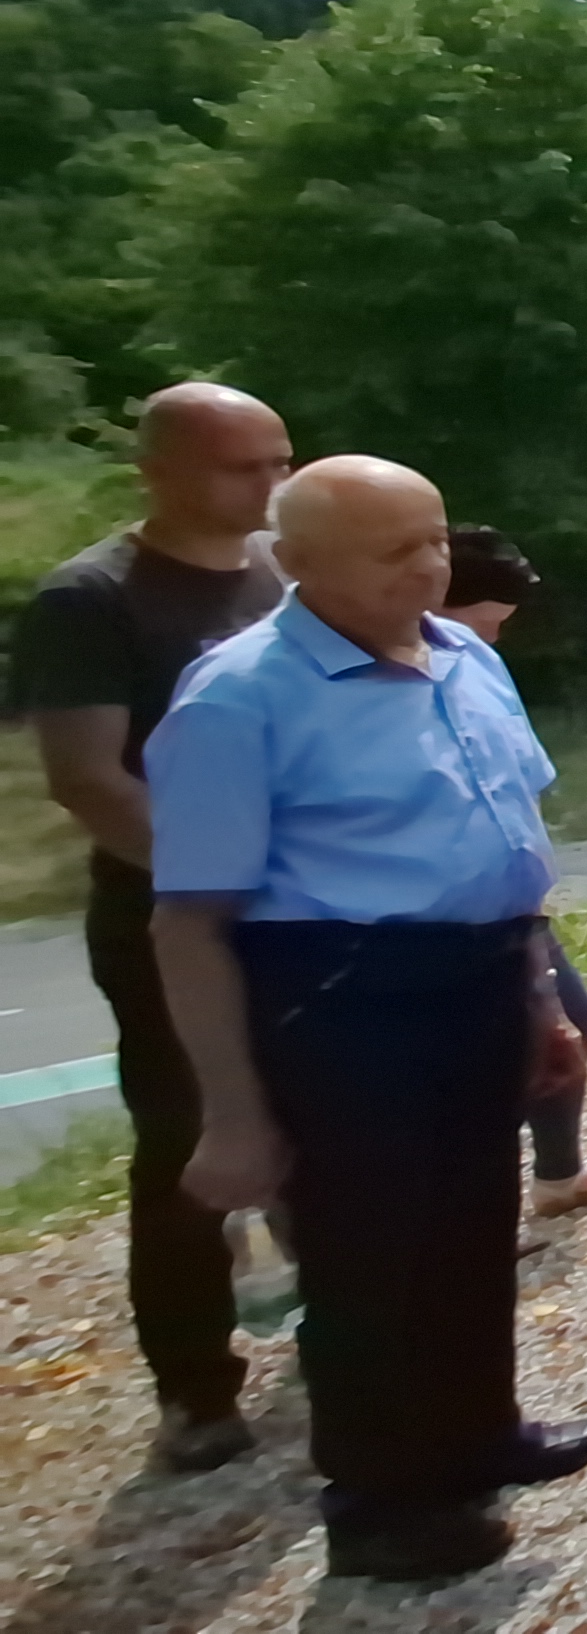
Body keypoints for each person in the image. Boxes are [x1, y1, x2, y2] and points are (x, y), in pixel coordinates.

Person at [143, 456, 587, 1582]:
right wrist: (231, 1114)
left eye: (434, 541)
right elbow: (190, 921)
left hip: (478, 972)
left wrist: (537, 998)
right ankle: (379, 1500)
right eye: (391, 552)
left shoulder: (463, 657)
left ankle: (479, 1433)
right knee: (370, 1252)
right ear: (297, 563)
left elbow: (509, 839)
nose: (425, 568)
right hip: (344, 992)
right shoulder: (239, 697)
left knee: (473, 1221)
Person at [8, 381, 291, 1474]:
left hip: (305, 906)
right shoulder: (93, 598)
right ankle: (196, 1384)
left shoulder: (280, 568)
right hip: (172, 918)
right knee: (191, 1141)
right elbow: (91, 780)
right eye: (240, 466)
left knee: (325, 1117)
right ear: (159, 471)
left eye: (278, 461)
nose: (267, 484)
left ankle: (342, 1329)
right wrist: (219, 882)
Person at [438, 526, 587, 1225]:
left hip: (516, 904)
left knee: (572, 1019)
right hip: (439, 917)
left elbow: (522, 778)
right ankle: (466, 1208)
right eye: (487, 622)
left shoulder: (471, 661)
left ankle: (557, 1177)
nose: (495, 638)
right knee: (485, 1055)